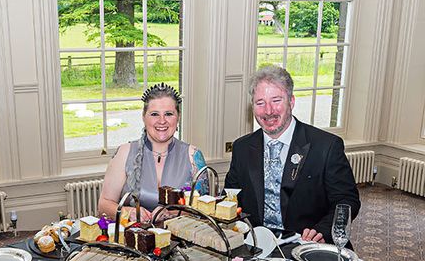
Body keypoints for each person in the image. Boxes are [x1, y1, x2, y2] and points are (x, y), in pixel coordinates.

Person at [224, 65, 360, 243]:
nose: (268, 111)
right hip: (257, 245)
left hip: (308, 245)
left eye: (276, 100)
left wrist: (321, 231)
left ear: (292, 102)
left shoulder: (326, 146)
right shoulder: (242, 147)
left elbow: (346, 201)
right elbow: (231, 197)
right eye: (260, 103)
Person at [98, 83, 208, 222]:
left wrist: (173, 213)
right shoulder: (124, 153)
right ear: (144, 117)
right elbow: (104, 205)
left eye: (169, 114)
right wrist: (127, 212)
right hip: (132, 239)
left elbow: (205, 210)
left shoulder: (193, 156)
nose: (162, 121)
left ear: (178, 117)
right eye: (154, 114)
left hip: (182, 241)